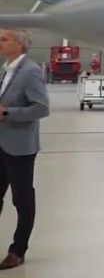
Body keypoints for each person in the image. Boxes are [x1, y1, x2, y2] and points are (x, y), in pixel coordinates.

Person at [0, 28, 49, 270]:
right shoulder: (6, 69)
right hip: (1, 143)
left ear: (20, 44)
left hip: (19, 146)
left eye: (3, 39)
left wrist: (7, 113)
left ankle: (18, 250)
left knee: (22, 199)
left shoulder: (30, 71)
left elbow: (41, 108)